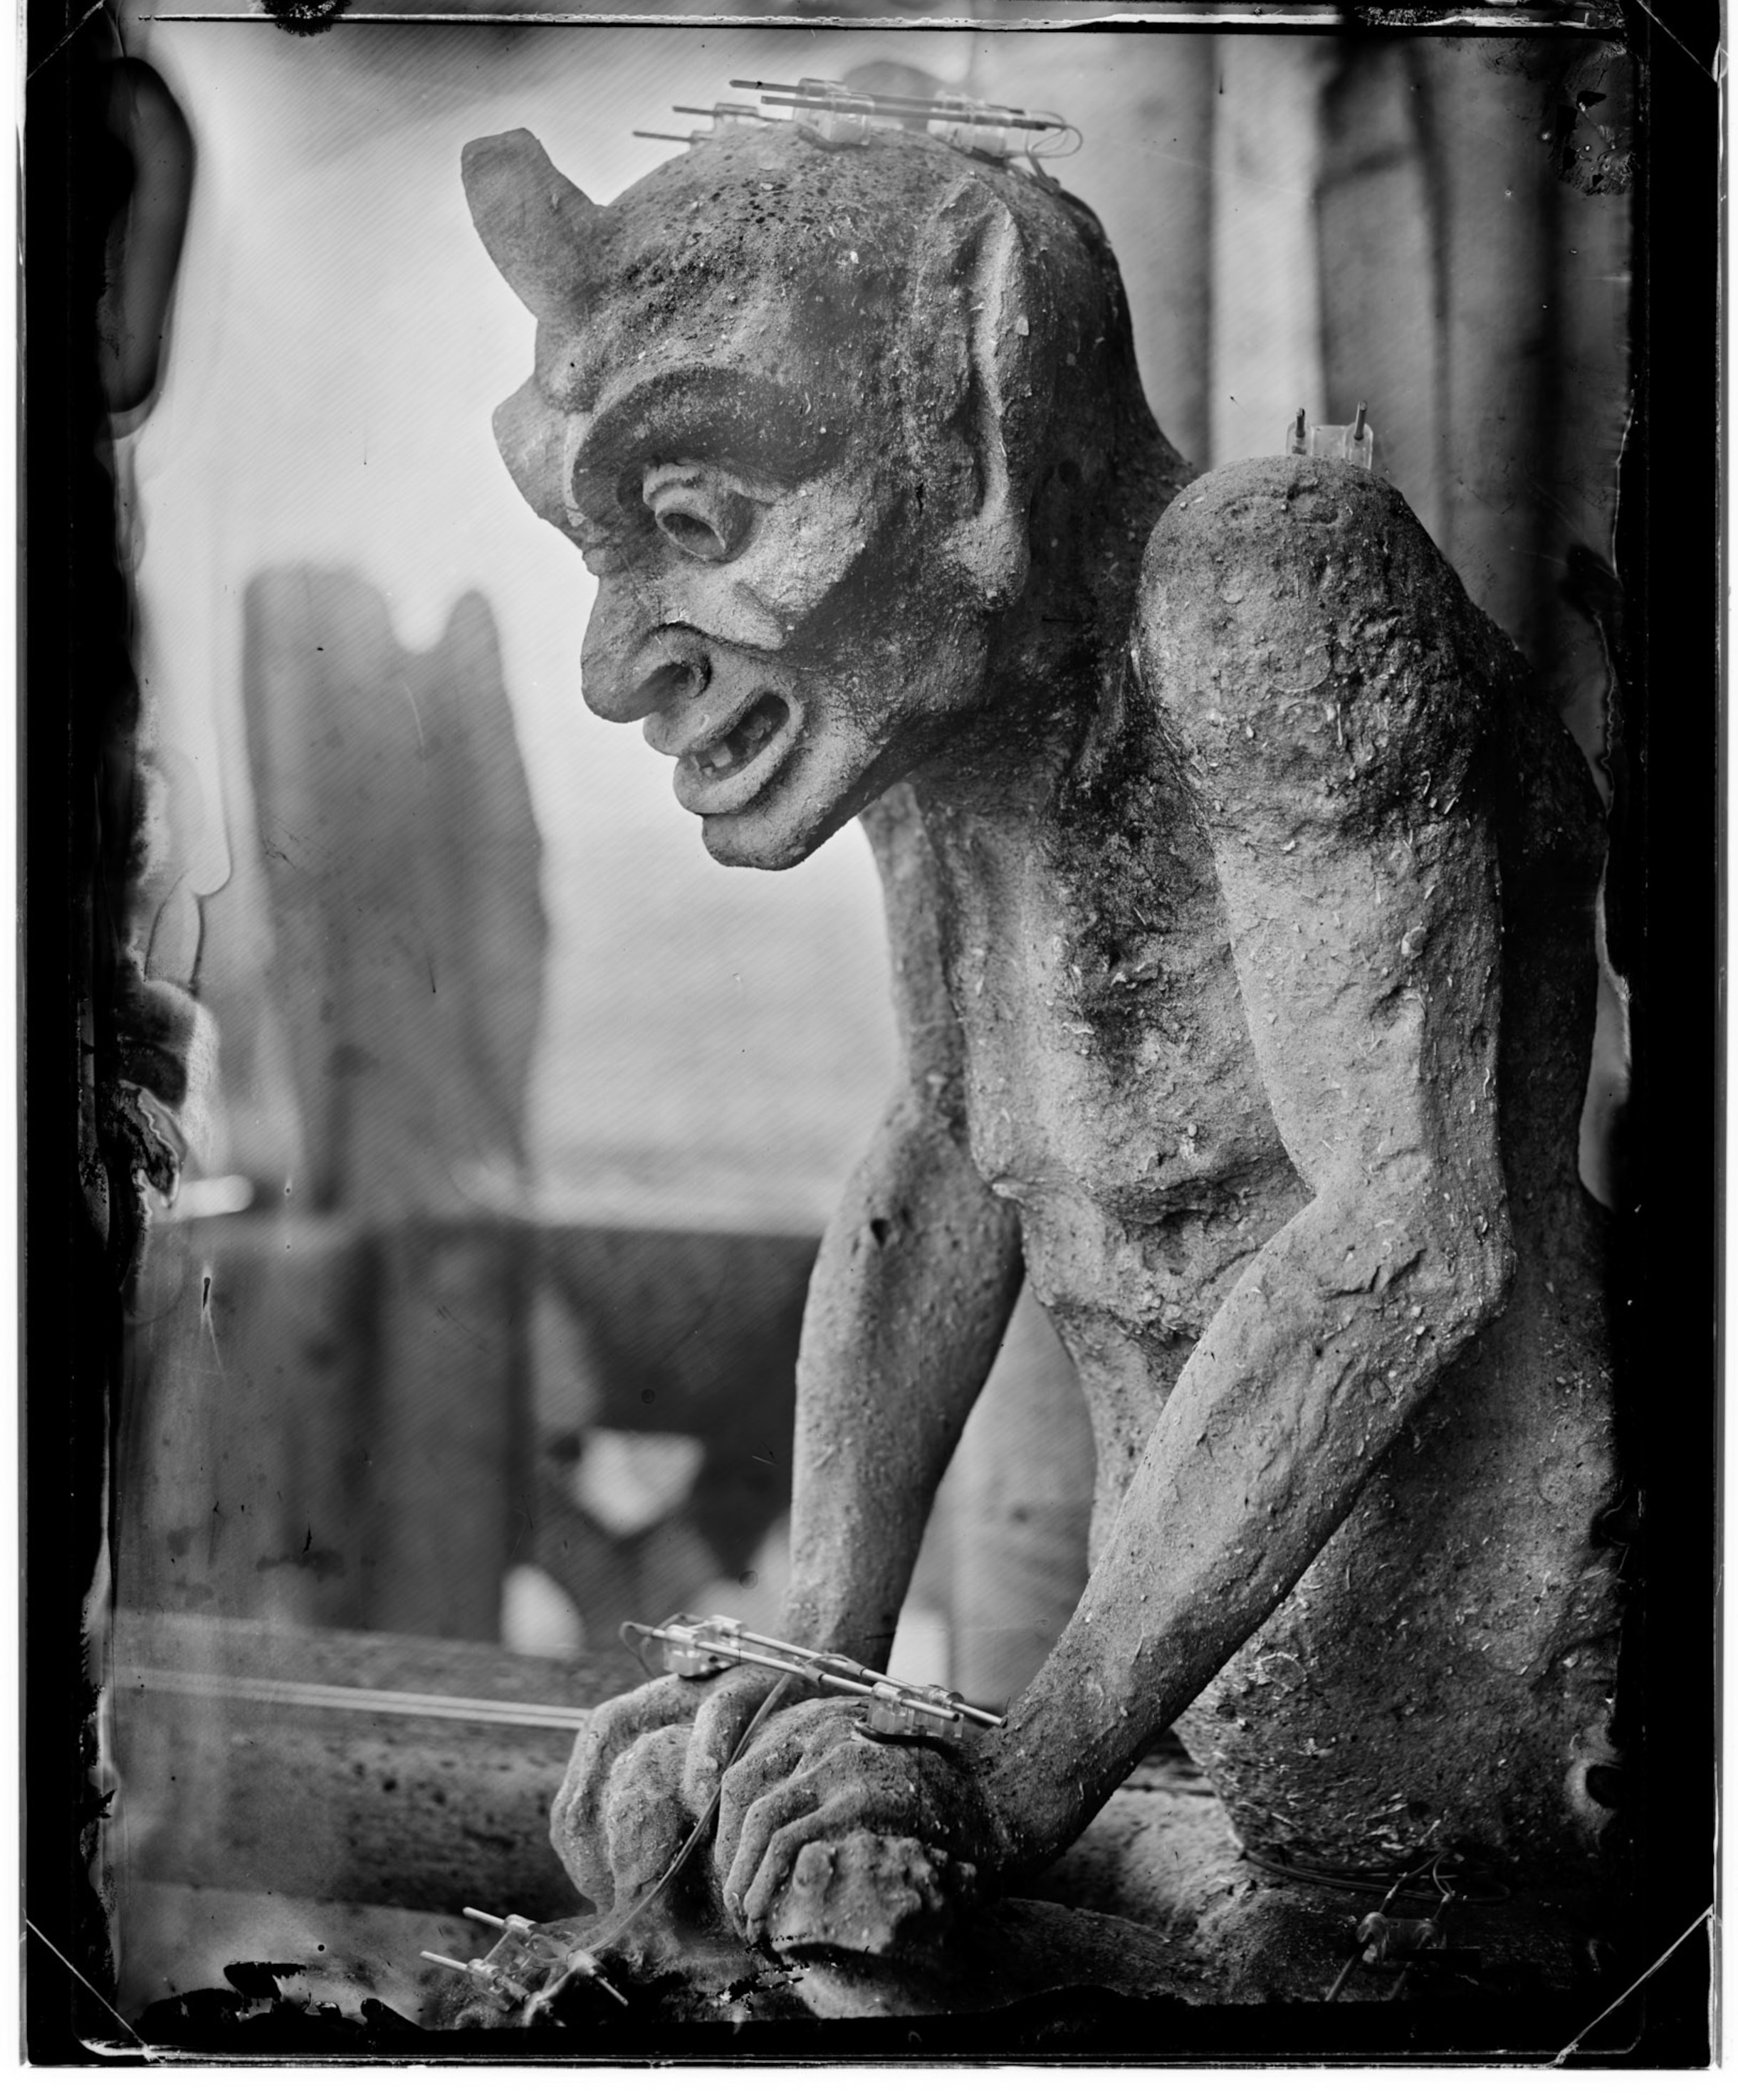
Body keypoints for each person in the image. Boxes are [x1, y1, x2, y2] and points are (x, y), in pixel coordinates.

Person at [464, 115, 1621, 1959]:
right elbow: (942, 1153)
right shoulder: (935, 717)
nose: (618, 667)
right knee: (726, 1868)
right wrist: (807, 1662)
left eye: (695, 522)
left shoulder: (1264, 584)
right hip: (1203, 1747)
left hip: (1524, 1726)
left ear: (984, 414)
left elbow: (1407, 1237)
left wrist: (1012, 1792)